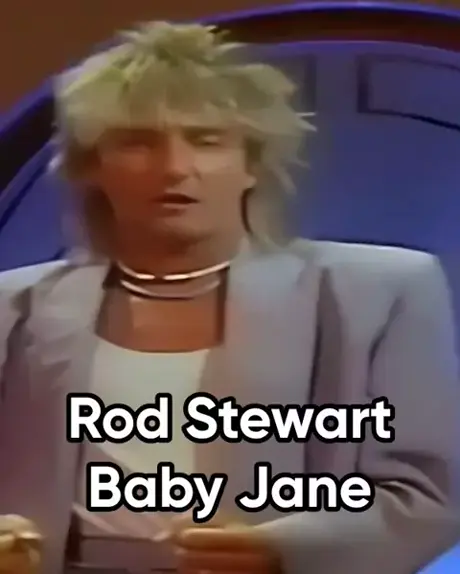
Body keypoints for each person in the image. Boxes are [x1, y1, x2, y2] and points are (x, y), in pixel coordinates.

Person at [0, 20, 459, 574]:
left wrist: (287, 548)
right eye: (138, 142)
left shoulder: (383, 292)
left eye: (206, 140)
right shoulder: (12, 306)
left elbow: (428, 494)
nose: (175, 168)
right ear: (91, 167)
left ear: (252, 164)